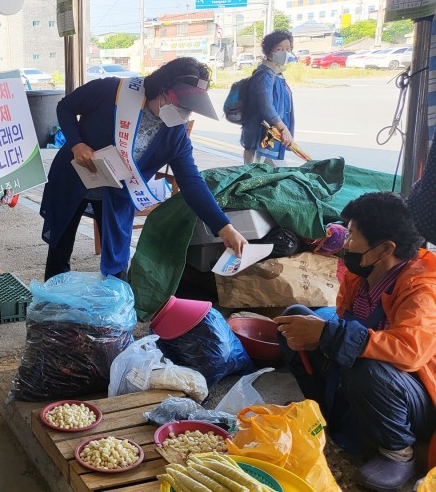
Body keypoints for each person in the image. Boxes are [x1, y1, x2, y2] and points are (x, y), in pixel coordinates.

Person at [275, 192, 436, 492]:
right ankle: (321, 411)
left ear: (385, 248)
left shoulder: (422, 288)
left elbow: (410, 351)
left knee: (366, 362)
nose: (345, 243)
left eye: (352, 236)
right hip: (363, 377)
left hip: (411, 394)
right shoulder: (360, 274)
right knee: (293, 319)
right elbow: (344, 325)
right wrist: (318, 339)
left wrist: (327, 335)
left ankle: (398, 451)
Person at [40, 57, 248, 281]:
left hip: (117, 193)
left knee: (117, 261)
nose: (183, 114)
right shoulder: (111, 90)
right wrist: (76, 144)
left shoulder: (175, 134)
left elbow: (191, 182)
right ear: (162, 90)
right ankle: (52, 299)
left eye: (189, 110)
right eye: (180, 106)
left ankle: (114, 306)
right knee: (60, 247)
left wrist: (224, 227)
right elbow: (66, 107)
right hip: (74, 178)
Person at [240, 30, 295, 165]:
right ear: (269, 52)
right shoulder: (264, 75)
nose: (285, 52)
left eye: (288, 49)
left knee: (275, 174)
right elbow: (266, 106)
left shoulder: (277, 73)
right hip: (260, 137)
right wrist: (283, 128)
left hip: (271, 136)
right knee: (255, 175)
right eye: (279, 49)